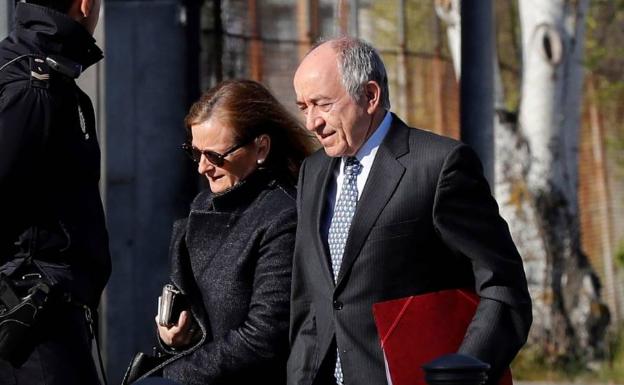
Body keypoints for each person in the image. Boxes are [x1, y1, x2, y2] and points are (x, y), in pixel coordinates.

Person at [288, 37, 532, 385]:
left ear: (370, 96)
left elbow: (503, 286)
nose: (312, 122)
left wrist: (462, 372)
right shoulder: (312, 173)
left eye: (322, 104)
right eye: (303, 107)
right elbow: (309, 299)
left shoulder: (438, 166)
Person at [140, 80, 315, 385]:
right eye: (195, 153)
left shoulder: (283, 216)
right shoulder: (206, 203)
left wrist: (174, 376)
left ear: (261, 148)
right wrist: (173, 335)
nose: (203, 168)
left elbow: (263, 336)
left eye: (216, 156)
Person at [0, 0, 109, 384]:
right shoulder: (32, 88)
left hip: (44, 317)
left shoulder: (48, 79)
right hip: (32, 328)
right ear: (85, 4)